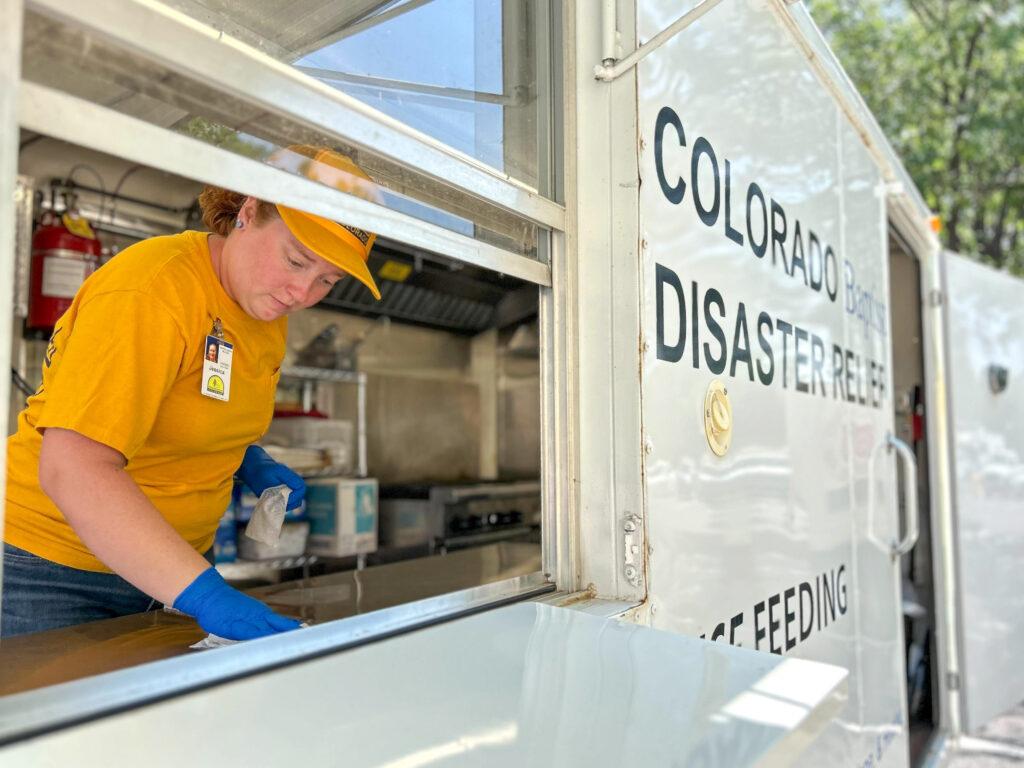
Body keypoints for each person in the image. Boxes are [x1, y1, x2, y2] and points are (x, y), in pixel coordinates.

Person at [2, 146, 382, 640]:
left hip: (168, 571)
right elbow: (72, 468)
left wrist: (243, 458)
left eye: (326, 281)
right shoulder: (152, 293)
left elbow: (186, 405)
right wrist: (205, 595)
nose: (301, 293)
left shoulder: (262, 309)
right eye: (295, 260)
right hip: (54, 573)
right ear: (247, 213)